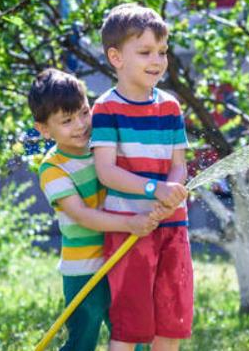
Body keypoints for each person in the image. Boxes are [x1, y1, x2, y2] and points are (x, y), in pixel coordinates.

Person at [29, 68, 168, 351]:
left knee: (133, 332)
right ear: (44, 129)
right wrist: (130, 224)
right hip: (84, 267)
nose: (80, 125)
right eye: (67, 121)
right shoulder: (52, 168)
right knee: (83, 338)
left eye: (83, 112)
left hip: (121, 254)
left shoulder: (102, 147)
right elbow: (82, 215)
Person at [91, 3, 193, 351]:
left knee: (171, 322)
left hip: (173, 228)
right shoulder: (106, 108)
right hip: (131, 228)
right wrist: (155, 189)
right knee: (131, 324)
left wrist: (174, 190)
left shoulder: (170, 107)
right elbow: (106, 172)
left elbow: (178, 164)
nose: (158, 60)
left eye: (162, 52)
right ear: (116, 58)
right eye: (146, 52)